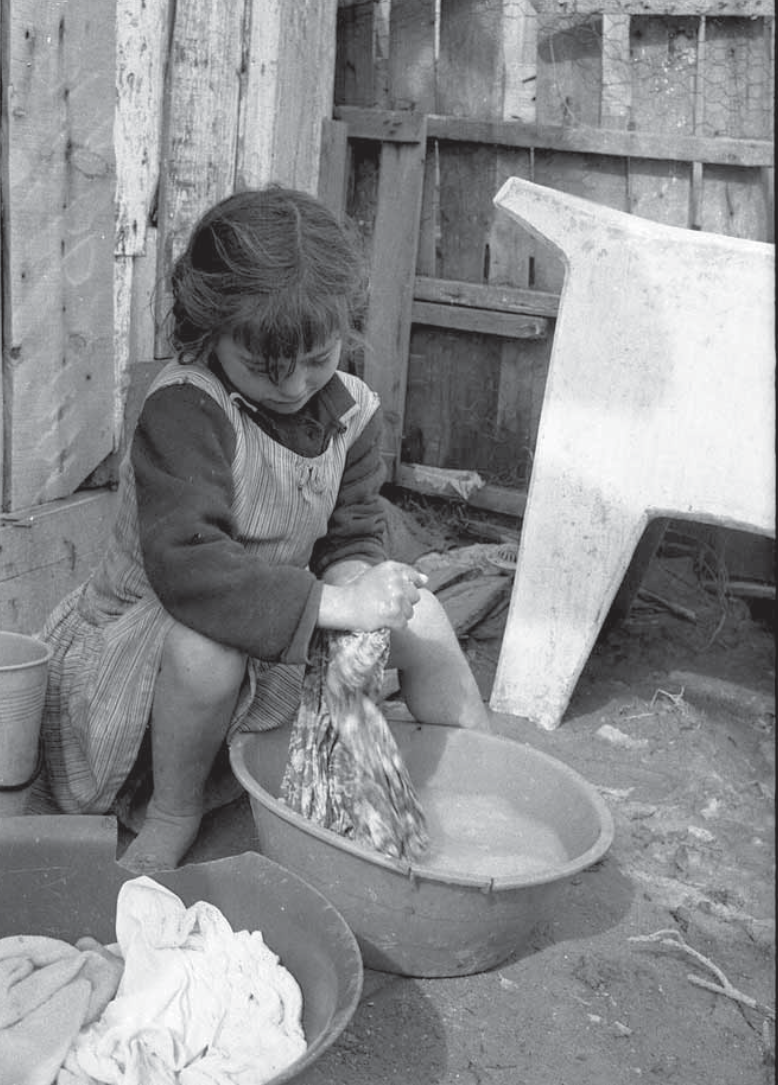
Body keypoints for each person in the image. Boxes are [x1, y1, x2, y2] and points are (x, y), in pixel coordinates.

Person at [36, 186, 491, 874]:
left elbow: (351, 537)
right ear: (208, 331)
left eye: (318, 358)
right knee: (207, 649)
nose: (295, 386)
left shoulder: (352, 414)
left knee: (423, 617)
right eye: (263, 367)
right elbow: (191, 567)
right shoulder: (186, 409)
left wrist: (360, 587)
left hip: (270, 624)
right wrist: (335, 604)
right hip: (149, 643)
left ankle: (478, 783)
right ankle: (173, 809)